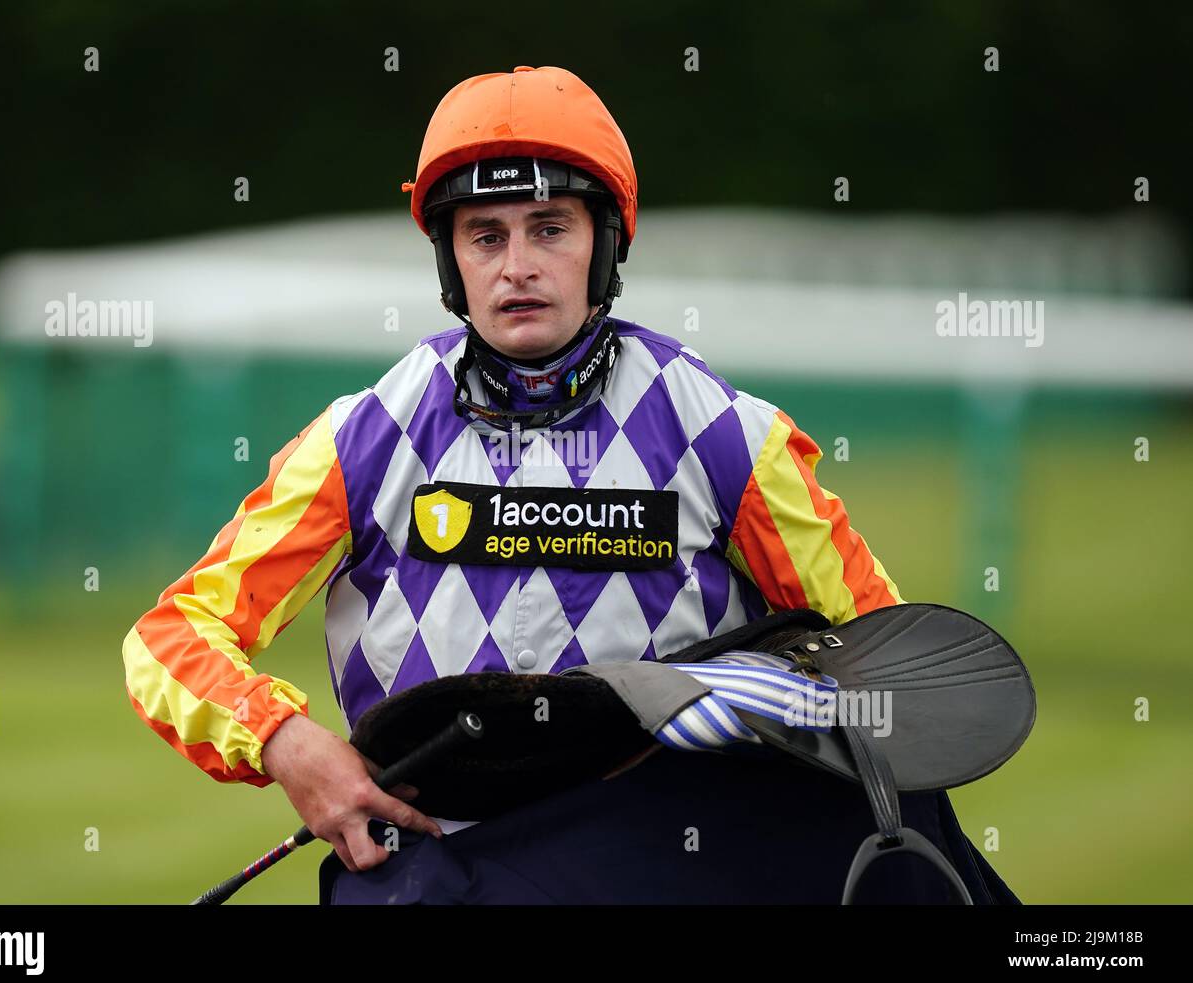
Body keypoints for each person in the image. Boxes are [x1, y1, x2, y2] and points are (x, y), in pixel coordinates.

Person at [122, 65, 958, 903]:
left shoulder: (725, 433)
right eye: (485, 235)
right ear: (451, 260)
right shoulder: (363, 436)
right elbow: (170, 639)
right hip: (433, 868)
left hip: (666, 867)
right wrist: (286, 742)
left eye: (549, 227)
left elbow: (888, 665)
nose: (516, 266)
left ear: (606, 243)